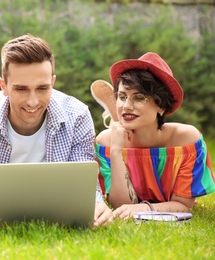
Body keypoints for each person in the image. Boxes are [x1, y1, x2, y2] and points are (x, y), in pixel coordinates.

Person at [0, 34, 113, 227]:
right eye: (21, 89)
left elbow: (86, 188)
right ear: (3, 86)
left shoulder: (77, 115)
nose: (33, 101)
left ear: (53, 83)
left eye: (42, 88)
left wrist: (96, 205)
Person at [91, 52, 215, 220]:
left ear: (161, 106)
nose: (126, 106)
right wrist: (116, 151)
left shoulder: (186, 141)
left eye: (139, 97)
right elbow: (120, 205)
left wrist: (143, 208)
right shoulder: (106, 142)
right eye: (121, 97)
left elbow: (183, 205)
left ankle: (120, 113)